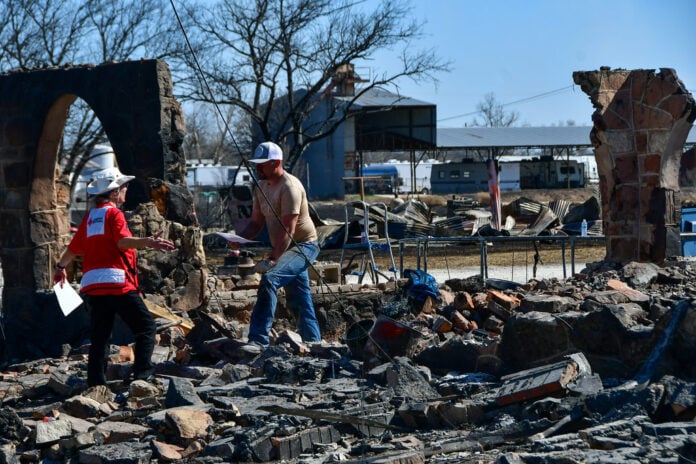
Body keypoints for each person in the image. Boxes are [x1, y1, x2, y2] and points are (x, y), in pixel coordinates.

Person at [53, 166, 175, 386]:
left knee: (100, 337)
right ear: (113, 193)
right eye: (124, 187)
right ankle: (142, 375)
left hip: (93, 285)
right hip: (118, 282)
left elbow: (74, 248)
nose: (126, 190)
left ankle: (95, 383)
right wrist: (148, 241)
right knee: (146, 327)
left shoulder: (90, 218)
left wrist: (60, 268)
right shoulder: (114, 214)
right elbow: (122, 242)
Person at [237, 141, 321, 346]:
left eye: (262, 164)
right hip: (286, 247)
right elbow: (256, 222)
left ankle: (258, 340)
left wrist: (273, 260)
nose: (257, 169)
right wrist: (239, 240)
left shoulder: (290, 187)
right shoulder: (260, 187)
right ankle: (314, 343)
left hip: (303, 245)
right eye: (256, 164)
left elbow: (288, 230)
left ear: (276, 163)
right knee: (300, 297)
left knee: (270, 280)